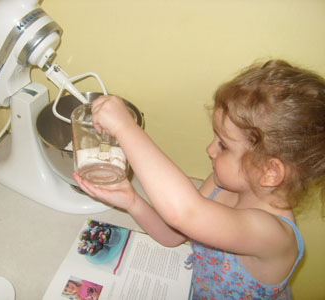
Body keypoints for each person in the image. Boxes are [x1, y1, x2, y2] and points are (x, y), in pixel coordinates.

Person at [72, 59, 325, 299]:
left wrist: (125, 127)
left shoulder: (272, 234)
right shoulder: (222, 182)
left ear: (270, 172)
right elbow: (174, 234)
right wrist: (132, 201)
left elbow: (184, 213)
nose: (210, 150)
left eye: (223, 145)